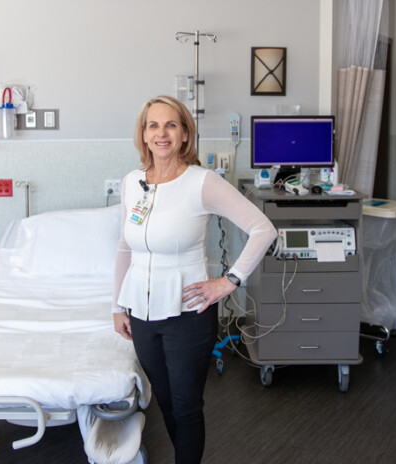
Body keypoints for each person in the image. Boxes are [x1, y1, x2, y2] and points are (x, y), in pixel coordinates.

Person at [112, 95, 277, 463]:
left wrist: (228, 282)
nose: (162, 133)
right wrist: (117, 305)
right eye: (153, 125)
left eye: (171, 125)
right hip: (141, 312)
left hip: (187, 312)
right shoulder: (132, 182)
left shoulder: (202, 182)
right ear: (143, 134)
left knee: (186, 407)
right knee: (166, 402)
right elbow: (125, 246)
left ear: (186, 133)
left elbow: (262, 229)